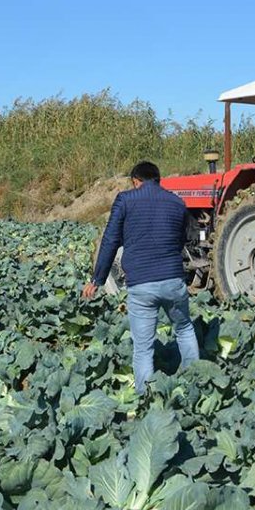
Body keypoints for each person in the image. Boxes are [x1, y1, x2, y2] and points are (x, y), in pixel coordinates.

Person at [83, 160, 198, 393]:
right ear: (158, 180)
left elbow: (110, 241)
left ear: (136, 181)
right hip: (173, 281)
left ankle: (145, 398)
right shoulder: (177, 202)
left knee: (143, 348)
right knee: (185, 329)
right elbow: (190, 237)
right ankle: (195, 384)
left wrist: (97, 280)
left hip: (141, 285)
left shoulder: (125, 200)